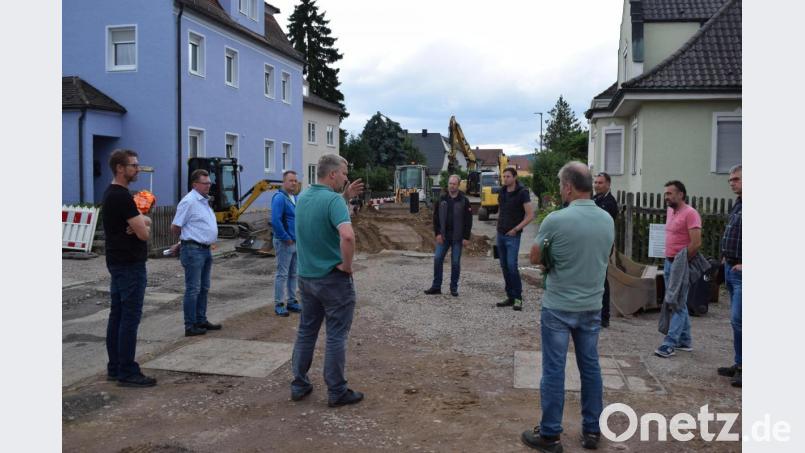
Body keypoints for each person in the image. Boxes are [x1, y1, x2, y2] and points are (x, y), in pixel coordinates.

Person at [521, 162, 614, 452]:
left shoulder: (556, 220)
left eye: (562, 185)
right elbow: (605, 255)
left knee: (553, 370)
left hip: (559, 307)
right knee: (590, 368)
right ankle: (592, 431)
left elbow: (535, 257)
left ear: (570, 187)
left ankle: (550, 435)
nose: (561, 190)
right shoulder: (607, 220)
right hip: (591, 306)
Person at [290, 154, 366, 407]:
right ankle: (336, 390)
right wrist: (347, 266)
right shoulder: (333, 201)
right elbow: (347, 236)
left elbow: (322, 211)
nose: (346, 177)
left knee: (306, 332)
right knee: (335, 335)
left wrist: (344, 197)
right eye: (344, 173)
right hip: (332, 279)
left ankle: (299, 384)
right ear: (332, 174)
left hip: (306, 277)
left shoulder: (303, 198)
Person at [102, 149, 157, 387]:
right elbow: (144, 234)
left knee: (118, 315)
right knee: (129, 318)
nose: (137, 169)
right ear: (120, 168)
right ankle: (127, 371)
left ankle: (115, 367)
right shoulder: (122, 197)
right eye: (133, 165)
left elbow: (140, 224)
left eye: (137, 164)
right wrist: (142, 224)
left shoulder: (111, 193)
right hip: (130, 263)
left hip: (117, 261)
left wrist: (139, 222)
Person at [654, 180, 702, 358]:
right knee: (675, 300)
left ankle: (669, 343)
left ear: (681, 194)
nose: (666, 196)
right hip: (668, 262)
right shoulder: (670, 211)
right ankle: (685, 340)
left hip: (680, 264)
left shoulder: (691, 213)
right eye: (666, 193)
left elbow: (696, 243)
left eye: (670, 193)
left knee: (676, 303)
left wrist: (681, 263)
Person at [171, 169, 222, 337]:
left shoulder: (203, 201)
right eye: (205, 183)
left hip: (205, 249)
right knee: (193, 288)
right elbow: (176, 226)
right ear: (195, 184)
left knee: (204, 288)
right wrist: (184, 241)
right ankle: (190, 325)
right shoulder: (189, 201)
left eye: (209, 183)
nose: (208, 185)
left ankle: (201, 319)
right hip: (193, 250)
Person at [424, 175, 473, 297]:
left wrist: (466, 237)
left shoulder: (464, 200)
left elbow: (468, 220)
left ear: (458, 185)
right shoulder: (441, 199)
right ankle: (436, 287)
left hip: (457, 237)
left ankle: (453, 287)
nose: (452, 186)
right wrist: (438, 233)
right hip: (443, 237)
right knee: (437, 259)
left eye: (454, 184)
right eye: (450, 183)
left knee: (455, 262)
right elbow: (435, 218)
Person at [494, 168, 535, 311]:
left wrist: (516, 229)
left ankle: (518, 298)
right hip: (500, 234)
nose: (505, 179)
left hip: (513, 236)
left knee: (512, 266)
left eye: (508, 176)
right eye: (504, 176)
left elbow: (530, 215)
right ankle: (510, 296)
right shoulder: (502, 191)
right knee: (504, 267)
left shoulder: (522, 193)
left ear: (515, 177)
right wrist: (497, 229)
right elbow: (501, 210)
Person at [717, 165, 742, 387]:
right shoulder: (739, 203)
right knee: (736, 322)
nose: (732, 183)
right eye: (730, 180)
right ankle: (739, 363)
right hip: (731, 268)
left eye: (736, 179)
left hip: (743, 272)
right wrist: (726, 257)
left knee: (741, 320)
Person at [271, 170, 301, 317]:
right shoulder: (279, 198)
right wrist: (285, 237)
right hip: (285, 242)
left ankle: (292, 301)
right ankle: (279, 303)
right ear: (284, 182)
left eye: (295, 180)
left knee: (293, 273)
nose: (294, 183)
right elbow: (276, 221)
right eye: (291, 180)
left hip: (295, 241)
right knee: (282, 274)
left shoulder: (294, 197)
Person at [593, 172, 619, 328]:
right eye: (595, 182)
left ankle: (604, 317)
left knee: (601, 280)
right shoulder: (596, 199)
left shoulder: (609, 202)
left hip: (602, 245)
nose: (596, 185)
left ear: (608, 184)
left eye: (600, 183)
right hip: (593, 244)